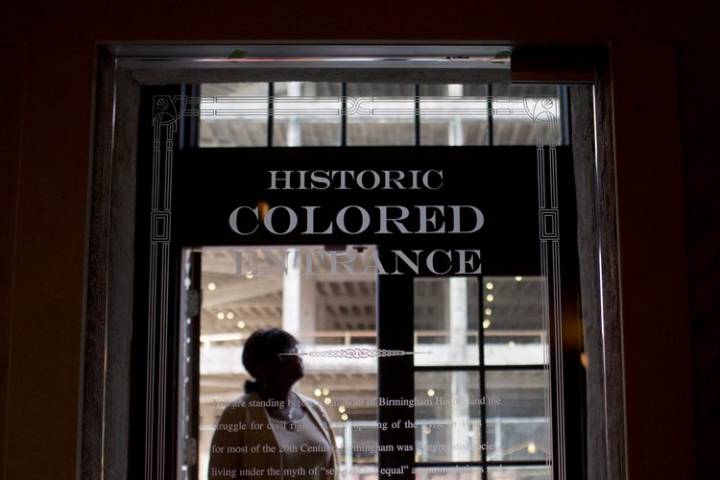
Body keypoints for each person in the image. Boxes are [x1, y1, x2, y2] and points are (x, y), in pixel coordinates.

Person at [208, 328, 338, 480]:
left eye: (297, 350)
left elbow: (332, 471)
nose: (299, 356)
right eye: (290, 351)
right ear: (264, 365)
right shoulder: (238, 414)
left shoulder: (315, 411)